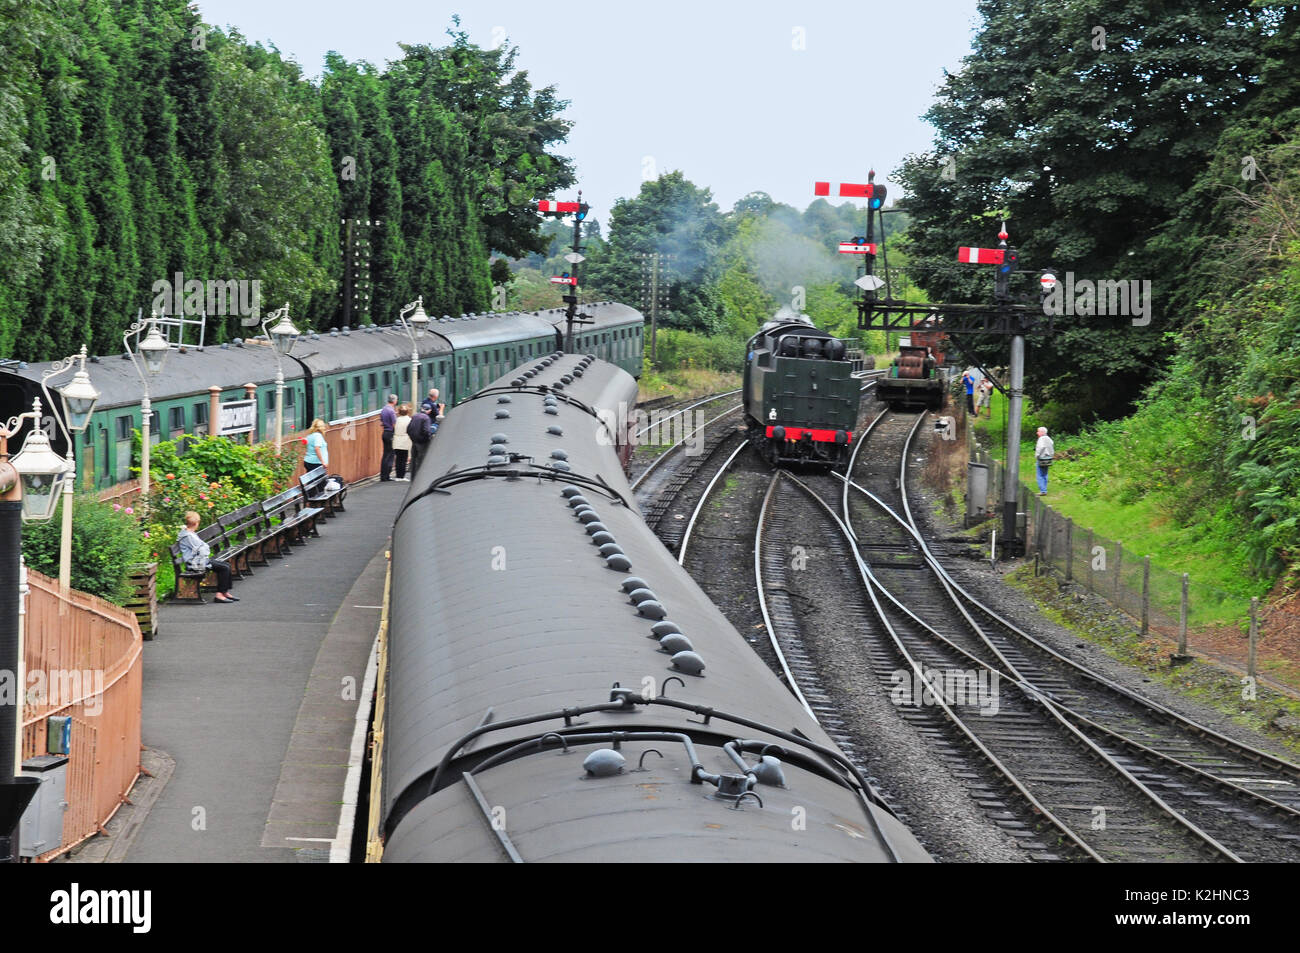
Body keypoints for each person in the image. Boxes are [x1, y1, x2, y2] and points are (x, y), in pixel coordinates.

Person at [177, 511, 238, 603]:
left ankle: (224, 592)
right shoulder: (188, 536)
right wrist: (205, 549)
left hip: (200, 560)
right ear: (196, 523)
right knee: (224, 568)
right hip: (195, 563)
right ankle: (219, 595)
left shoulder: (189, 533)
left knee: (226, 565)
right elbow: (202, 549)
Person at [407, 404, 433, 477]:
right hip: (422, 443)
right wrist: (428, 438)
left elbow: (408, 428)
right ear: (429, 410)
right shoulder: (426, 418)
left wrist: (412, 438)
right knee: (421, 461)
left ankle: (413, 478)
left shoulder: (415, 416)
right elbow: (426, 431)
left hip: (414, 442)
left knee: (413, 460)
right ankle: (419, 478)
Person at [392, 403, 413, 481]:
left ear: (399, 412)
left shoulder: (396, 420)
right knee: (404, 459)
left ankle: (398, 476)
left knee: (398, 459)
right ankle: (402, 476)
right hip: (405, 441)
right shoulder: (409, 420)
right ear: (407, 412)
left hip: (397, 440)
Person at [380, 394, 398, 481]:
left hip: (385, 432)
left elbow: (382, 422)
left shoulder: (384, 409)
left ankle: (383, 475)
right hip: (390, 433)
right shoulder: (391, 411)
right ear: (394, 401)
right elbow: (394, 424)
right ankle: (386, 475)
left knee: (385, 454)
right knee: (390, 454)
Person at [1035, 426, 1055, 495]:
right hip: (1048, 459)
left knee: (1039, 474)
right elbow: (1052, 448)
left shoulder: (1041, 439)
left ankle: (1043, 490)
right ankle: (1044, 488)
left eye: (1038, 431)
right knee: (1045, 474)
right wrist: (1051, 456)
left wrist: (1037, 455)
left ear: (1042, 432)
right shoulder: (1049, 439)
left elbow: (1040, 448)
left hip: (1041, 458)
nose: (1037, 433)